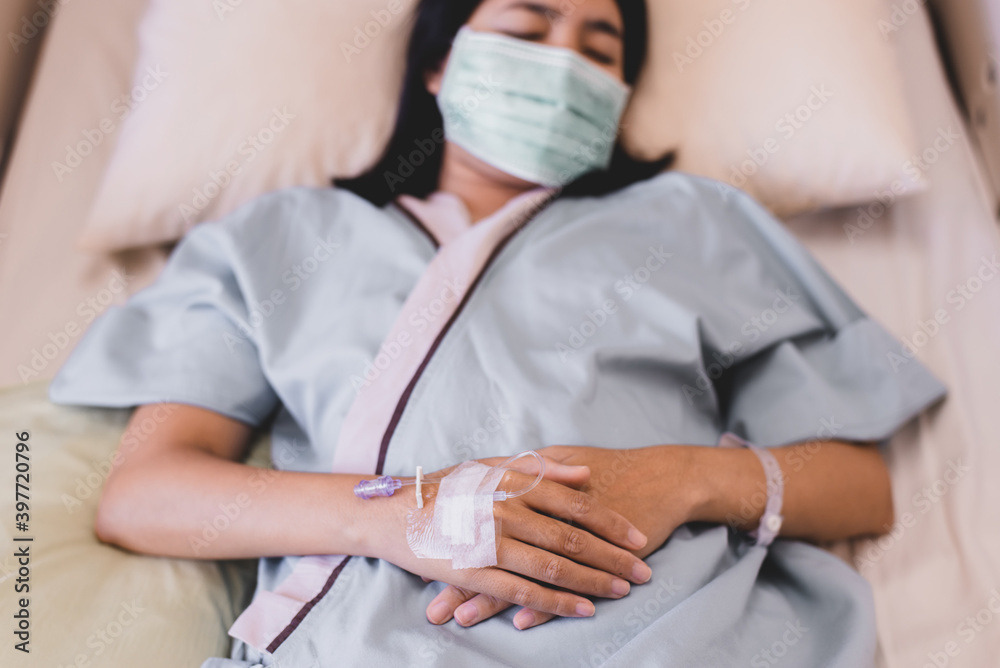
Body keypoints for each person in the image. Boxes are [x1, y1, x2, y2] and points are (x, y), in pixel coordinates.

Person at [48, 0, 946, 665]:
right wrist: (402, 517)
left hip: (673, 631)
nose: (565, 64)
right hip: (373, 641)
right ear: (439, 65)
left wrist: (682, 477)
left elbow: (859, 488)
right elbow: (145, 494)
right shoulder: (275, 238)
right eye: (527, 30)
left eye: (601, 50)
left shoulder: (695, 221)